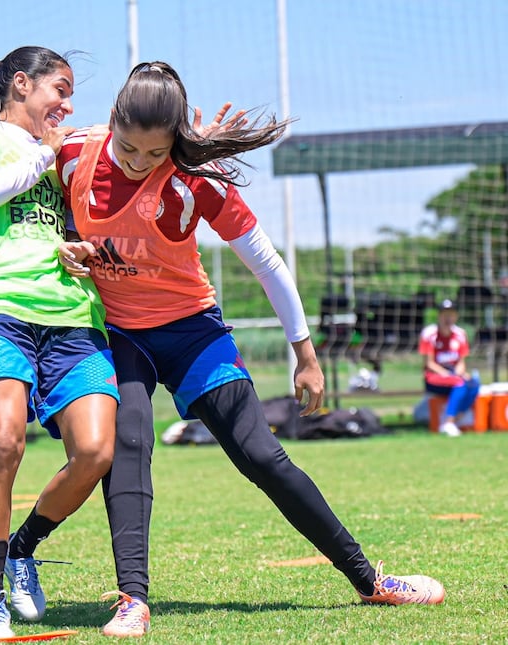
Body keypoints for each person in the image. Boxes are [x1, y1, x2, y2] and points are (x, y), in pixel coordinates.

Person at [55, 61, 446, 638]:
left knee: (261, 456)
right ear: (111, 120)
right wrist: (64, 244)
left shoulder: (199, 180)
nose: (139, 163)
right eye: (129, 148)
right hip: (119, 334)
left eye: (155, 154)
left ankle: (371, 581)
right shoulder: (73, 154)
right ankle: (132, 600)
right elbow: (32, 207)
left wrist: (305, 355)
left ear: (177, 143)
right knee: (128, 445)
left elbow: (266, 263)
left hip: (192, 331)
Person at [0, 46, 120, 640]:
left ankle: (24, 548)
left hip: (72, 315)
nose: (66, 105)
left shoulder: (66, 154)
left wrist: (80, 246)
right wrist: (46, 153)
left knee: (95, 453)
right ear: (21, 84)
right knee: (4, 441)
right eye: (59, 90)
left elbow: (74, 226)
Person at [419, 298, 480, 437]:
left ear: (456, 316)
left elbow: (461, 361)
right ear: (439, 316)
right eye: (445, 314)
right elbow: (429, 363)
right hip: (434, 376)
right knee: (459, 383)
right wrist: (447, 374)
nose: (448, 318)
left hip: (453, 375)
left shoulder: (460, 334)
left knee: (473, 384)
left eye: (451, 314)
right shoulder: (429, 334)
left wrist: (459, 371)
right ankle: (448, 422)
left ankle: (454, 421)